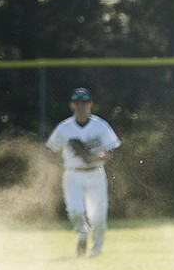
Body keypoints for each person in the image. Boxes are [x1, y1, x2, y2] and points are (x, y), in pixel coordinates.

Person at [46, 88, 121, 257]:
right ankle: (82, 234)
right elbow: (50, 150)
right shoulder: (64, 128)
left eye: (84, 103)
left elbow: (114, 150)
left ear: (90, 105)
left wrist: (93, 157)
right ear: (72, 105)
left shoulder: (100, 125)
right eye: (77, 103)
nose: (80, 106)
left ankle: (96, 251)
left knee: (98, 217)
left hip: (95, 173)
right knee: (76, 211)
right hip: (72, 174)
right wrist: (53, 172)